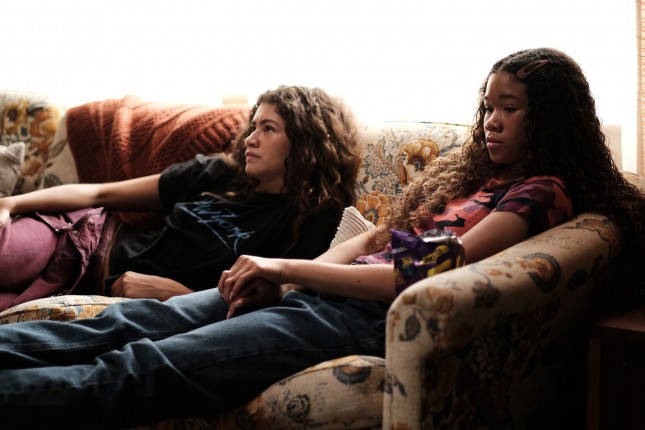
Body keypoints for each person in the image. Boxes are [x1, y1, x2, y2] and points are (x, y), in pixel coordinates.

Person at [0, 48, 643, 429]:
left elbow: (418, 274)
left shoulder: (539, 194)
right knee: (123, 324)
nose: (492, 122)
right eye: (489, 108)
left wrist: (288, 270)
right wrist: (286, 278)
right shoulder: (477, 181)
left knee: (140, 368)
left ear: (548, 117)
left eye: (510, 108)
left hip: (352, 317)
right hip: (317, 294)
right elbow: (374, 243)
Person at [0, 85, 362, 310]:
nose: (251, 139)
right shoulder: (219, 172)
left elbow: (275, 303)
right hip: (81, 237)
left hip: (90, 285)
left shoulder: (312, 222)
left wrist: (178, 294)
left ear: (306, 143)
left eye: (268, 129)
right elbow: (101, 192)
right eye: (254, 126)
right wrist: (10, 203)